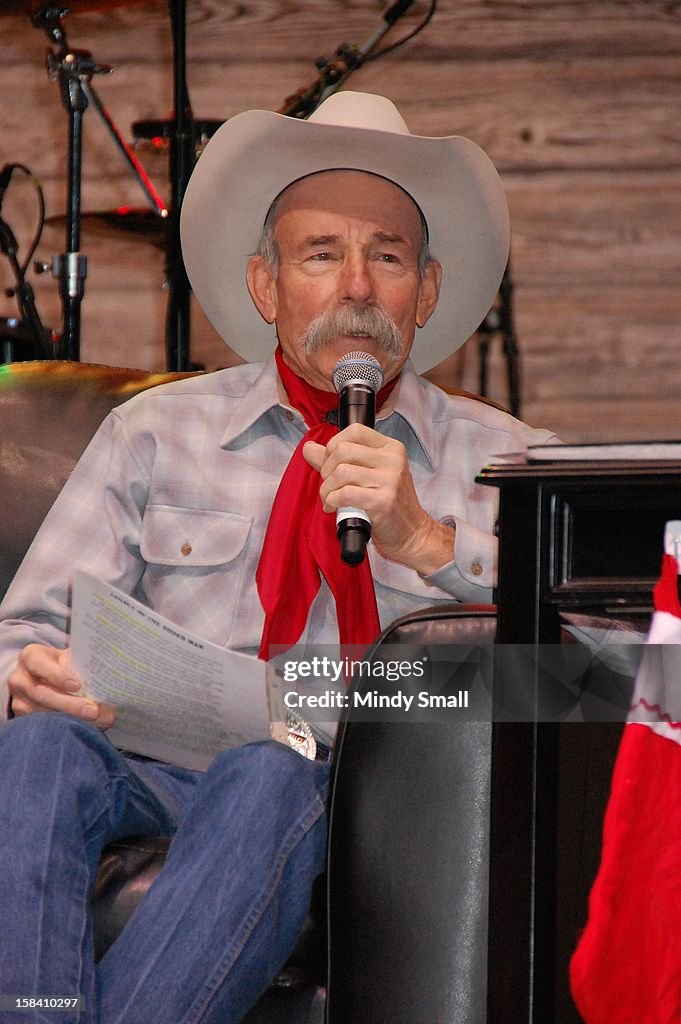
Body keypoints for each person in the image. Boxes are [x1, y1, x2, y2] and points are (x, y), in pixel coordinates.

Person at [0, 91, 556, 1022]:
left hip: (365, 794)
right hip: (156, 766)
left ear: (424, 290)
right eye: (321, 255)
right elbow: (22, 628)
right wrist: (33, 674)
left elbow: (607, 675)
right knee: (42, 746)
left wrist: (427, 543)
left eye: (386, 257)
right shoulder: (153, 432)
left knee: (267, 769)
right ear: (266, 287)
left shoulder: (505, 461)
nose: (356, 289)